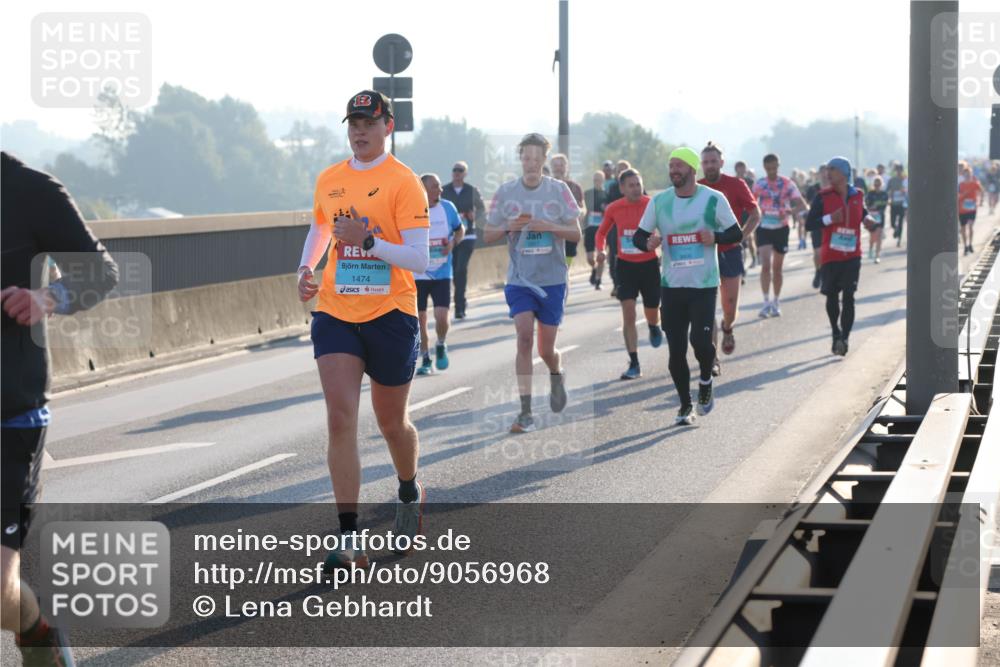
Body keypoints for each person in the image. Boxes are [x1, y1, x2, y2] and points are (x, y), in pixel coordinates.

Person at [298, 90, 430, 569]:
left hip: (390, 313)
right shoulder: (330, 179)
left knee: (391, 423)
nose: (359, 131)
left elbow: (420, 258)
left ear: (387, 128)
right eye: (353, 122)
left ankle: (409, 490)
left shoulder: (404, 183)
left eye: (368, 123)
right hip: (335, 312)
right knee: (340, 419)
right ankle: (347, 536)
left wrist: (369, 240)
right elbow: (319, 229)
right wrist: (305, 269)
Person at [2, 151, 121, 667]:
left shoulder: (30, 189)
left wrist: (47, 297)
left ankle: (36, 627)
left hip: (10, 415)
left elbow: (102, 272)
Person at [632, 147, 742, 425]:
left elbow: (736, 232)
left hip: (703, 284)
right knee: (676, 349)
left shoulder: (713, 199)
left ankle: (705, 380)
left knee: (701, 343)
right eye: (671, 166)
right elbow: (639, 235)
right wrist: (647, 243)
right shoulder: (660, 202)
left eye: (679, 166)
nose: (674, 171)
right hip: (672, 286)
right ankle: (684, 405)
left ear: (693, 170)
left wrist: (715, 237)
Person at [484, 133, 581, 433]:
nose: (531, 163)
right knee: (524, 336)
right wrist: (508, 226)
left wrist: (549, 227)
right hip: (520, 279)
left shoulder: (559, 190)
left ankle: (556, 372)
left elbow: (576, 234)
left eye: (537, 159)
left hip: (552, 279)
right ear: (520, 158)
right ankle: (525, 412)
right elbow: (488, 235)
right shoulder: (506, 192)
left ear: (544, 161)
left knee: (546, 350)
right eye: (526, 157)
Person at [595, 168, 664, 379]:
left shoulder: (652, 204)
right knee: (628, 313)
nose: (635, 189)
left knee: (652, 308)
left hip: (649, 264)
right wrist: (600, 249)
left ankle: (653, 326)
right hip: (625, 266)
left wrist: (658, 241)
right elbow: (601, 232)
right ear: (622, 188)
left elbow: (665, 228)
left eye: (638, 184)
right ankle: (634, 363)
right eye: (631, 185)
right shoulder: (615, 208)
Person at [699, 142, 760, 376]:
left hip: (730, 252)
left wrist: (740, 237)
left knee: (729, 306)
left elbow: (755, 214)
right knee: (706, 309)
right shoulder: (697, 187)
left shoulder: (736, 185)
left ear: (721, 163)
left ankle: (728, 327)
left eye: (714, 161)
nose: (710, 166)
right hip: (704, 253)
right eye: (705, 162)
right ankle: (712, 358)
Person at [805, 156, 875, 357]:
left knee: (849, 297)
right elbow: (810, 224)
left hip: (853, 255)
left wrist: (869, 220)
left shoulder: (857, 195)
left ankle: (844, 338)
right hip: (830, 256)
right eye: (827, 169)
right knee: (832, 296)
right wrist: (829, 219)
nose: (828, 173)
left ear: (844, 173)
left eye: (832, 169)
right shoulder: (822, 196)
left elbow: (861, 212)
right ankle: (835, 332)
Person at [415, 173, 464, 375]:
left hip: (442, 272)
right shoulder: (412, 209)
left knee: (442, 317)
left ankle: (441, 343)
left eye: (440, 186)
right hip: (417, 274)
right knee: (420, 320)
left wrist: (452, 243)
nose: (440, 190)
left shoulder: (448, 208)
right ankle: (426, 359)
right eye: (435, 186)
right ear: (424, 189)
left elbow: (460, 230)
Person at [752, 153, 807, 318]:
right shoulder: (760, 184)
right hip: (764, 228)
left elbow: (803, 205)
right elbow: (749, 203)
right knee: (766, 266)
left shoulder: (787, 183)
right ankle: (765, 302)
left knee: (777, 269)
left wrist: (790, 212)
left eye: (774, 168)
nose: (772, 171)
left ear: (778, 166)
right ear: (764, 168)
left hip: (781, 229)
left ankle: (776, 301)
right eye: (768, 168)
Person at [441, 161, 486, 320]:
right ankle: (456, 303)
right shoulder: (444, 190)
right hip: (450, 236)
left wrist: (475, 216)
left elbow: (481, 209)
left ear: (465, 173)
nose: (457, 173)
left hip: (468, 235)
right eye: (454, 170)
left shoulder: (472, 190)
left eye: (460, 170)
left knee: (461, 268)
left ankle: (460, 306)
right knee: (453, 269)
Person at [549, 153, 586, 271]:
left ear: (567, 167)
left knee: (564, 268)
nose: (558, 168)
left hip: (568, 232)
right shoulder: (544, 186)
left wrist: (577, 213)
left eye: (561, 165)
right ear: (551, 167)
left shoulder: (575, 187)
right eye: (555, 165)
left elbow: (582, 208)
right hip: (550, 233)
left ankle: (565, 278)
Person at [805, 165, 830, 288]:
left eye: (827, 172)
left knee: (829, 252)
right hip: (817, 224)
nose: (825, 175)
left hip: (831, 225)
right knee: (818, 253)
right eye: (823, 172)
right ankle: (818, 271)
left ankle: (826, 275)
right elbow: (808, 204)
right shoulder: (813, 189)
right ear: (819, 174)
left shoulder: (834, 188)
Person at [584, 170, 608, 289]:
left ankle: (598, 280)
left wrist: (605, 209)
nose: (597, 182)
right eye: (595, 180)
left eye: (599, 180)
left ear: (603, 180)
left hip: (602, 229)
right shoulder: (588, 193)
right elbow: (584, 210)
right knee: (590, 257)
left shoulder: (607, 194)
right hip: (589, 228)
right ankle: (593, 269)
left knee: (601, 256)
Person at [958, 166, 984, 255]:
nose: (967, 176)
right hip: (962, 209)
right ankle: (965, 246)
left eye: (969, 174)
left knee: (970, 226)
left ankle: (970, 244)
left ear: (971, 174)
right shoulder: (960, 185)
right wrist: (963, 195)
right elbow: (957, 196)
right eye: (966, 174)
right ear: (963, 175)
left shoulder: (975, 183)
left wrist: (981, 200)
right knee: (963, 229)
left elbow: (982, 191)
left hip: (972, 209)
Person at [865, 176, 889, 263]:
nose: (877, 186)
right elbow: (867, 205)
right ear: (873, 185)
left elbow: (885, 205)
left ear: (881, 185)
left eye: (878, 184)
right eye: (875, 184)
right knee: (873, 236)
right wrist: (872, 207)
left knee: (879, 236)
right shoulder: (870, 194)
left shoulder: (884, 194)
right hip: (871, 217)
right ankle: (871, 249)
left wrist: (879, 208)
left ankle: (877, 256)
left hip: (880, 217)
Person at [886, 163, 907, 247]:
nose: (898, 172)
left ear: (902, 171)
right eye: (897, 170)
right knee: (892, 222)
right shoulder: (892, 180)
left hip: (902, 204)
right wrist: (889, 194)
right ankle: (895, 229)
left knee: (901, 222)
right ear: (895, 171)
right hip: (893, 204)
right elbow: (887, 190)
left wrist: (904, 191)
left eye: (900, 170)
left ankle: (899, 240)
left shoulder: (905, 180)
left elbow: (908, 191)